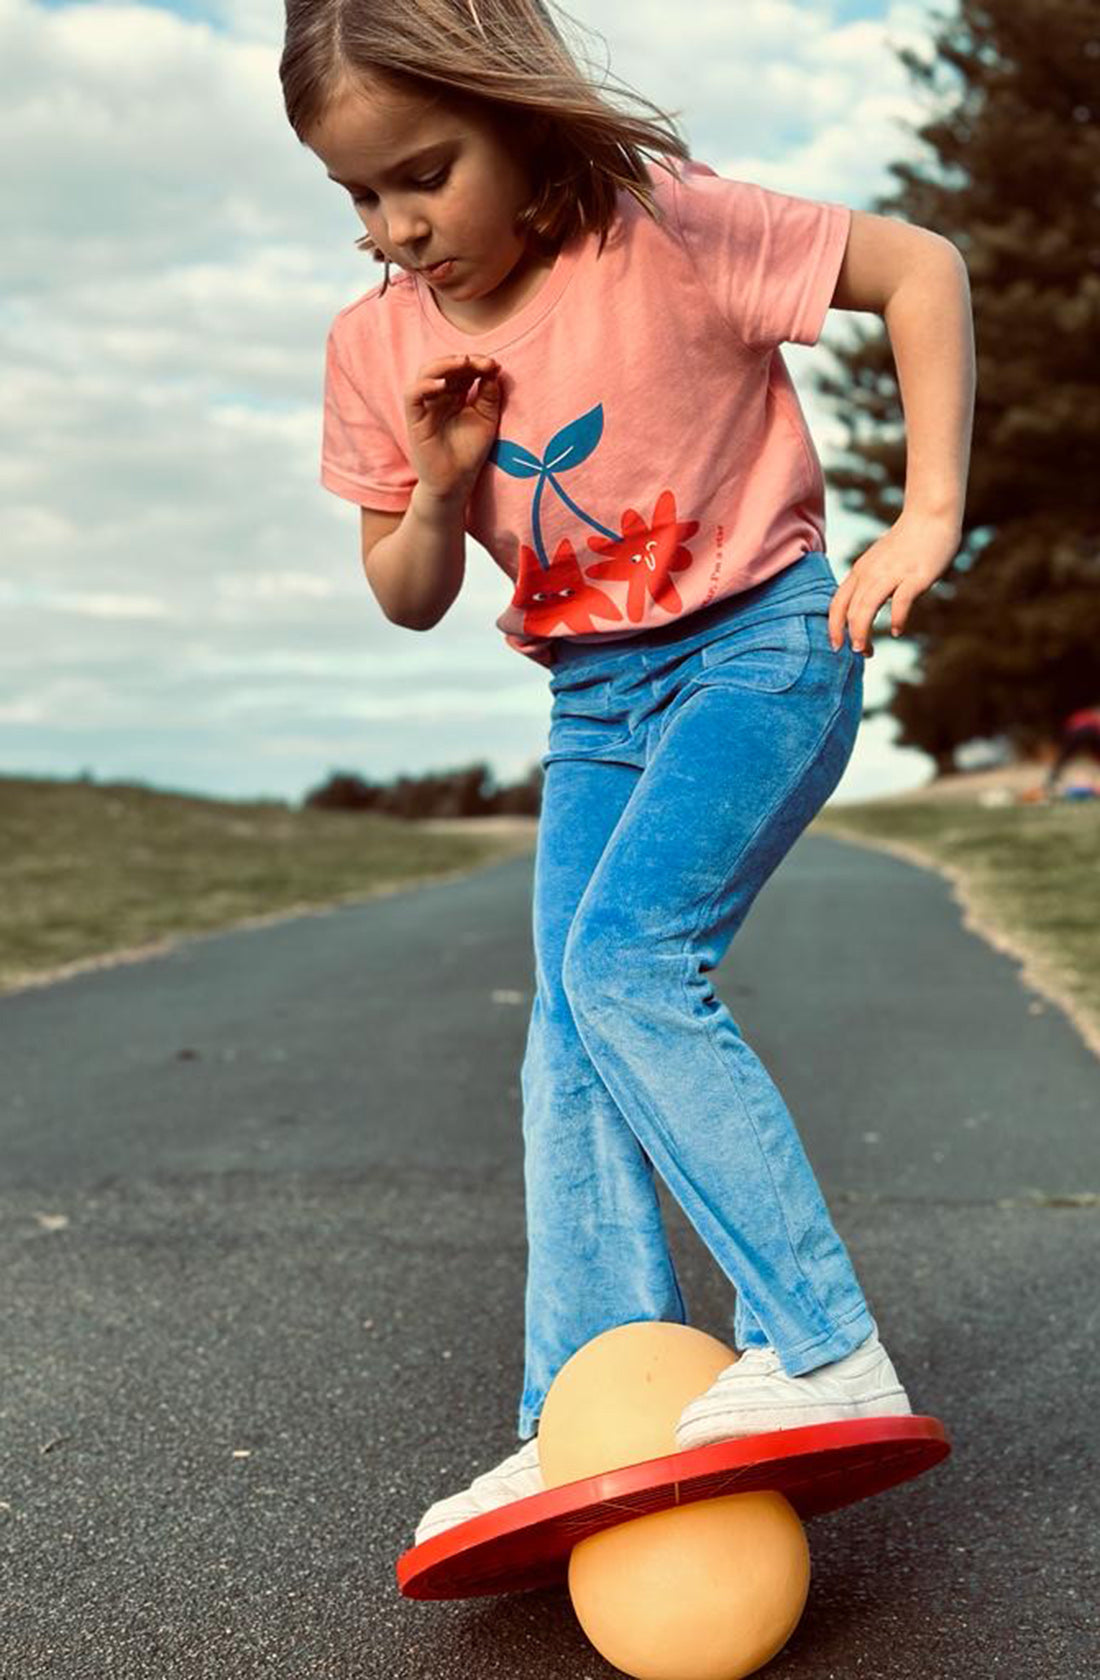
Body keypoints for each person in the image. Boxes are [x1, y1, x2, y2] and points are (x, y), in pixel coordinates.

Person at [280, 0, 972, 1548]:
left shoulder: (663, 232)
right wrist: (443, 489)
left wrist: (929, 515)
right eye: (357, 196)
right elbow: (404, 592)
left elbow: (918, 267)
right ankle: (587, 1403)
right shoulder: (378, 346)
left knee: (628, 962)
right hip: (595, 700)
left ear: (519, 123)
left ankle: (822, 1344)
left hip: (763, 646)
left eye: (423, 174)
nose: (395, 229)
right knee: (567, 1041)